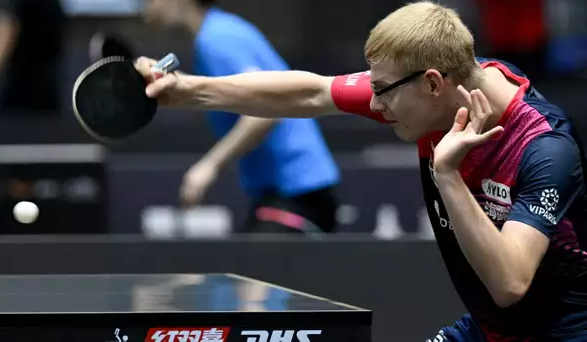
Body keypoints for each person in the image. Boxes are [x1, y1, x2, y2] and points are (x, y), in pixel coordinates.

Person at [135, 1, 587, 340]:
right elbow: (311, 92)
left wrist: (446, 175)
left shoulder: (544, 149)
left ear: (432, 83)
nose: (373, 105)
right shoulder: (431, 94)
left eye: (382, 92)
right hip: (489, 331)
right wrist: (190, 90)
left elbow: (509, 283)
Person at [141, 0, 340, 234]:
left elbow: (265, 113)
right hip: (280, 192)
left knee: (252, 267)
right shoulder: (219, 30)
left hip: (299, 191)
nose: (146, 9)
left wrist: (208, 167)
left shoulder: (216, 39)